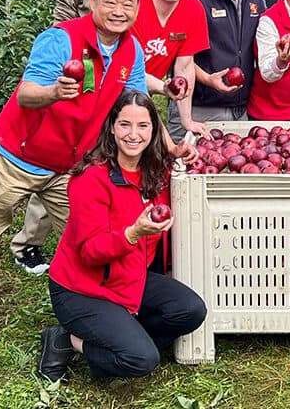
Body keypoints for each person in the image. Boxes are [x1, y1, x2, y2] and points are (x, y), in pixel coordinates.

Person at [0, 0, 149, 343]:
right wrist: (54, 92)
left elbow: (135, 105)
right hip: (18, 155)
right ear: (92, 3)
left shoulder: (131, 51)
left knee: (87, 236)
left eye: (128, 3)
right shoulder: (61, 39)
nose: (118, 10)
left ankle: (92, 308)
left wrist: (159, 141)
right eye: (109, 1)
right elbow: (26, 94)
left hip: (70, 165)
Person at [12, 0, 152, 275]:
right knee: (58, 139)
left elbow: (142, 17)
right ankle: (29, 243)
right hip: (82, 60)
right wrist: (70, 50)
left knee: (90, 151)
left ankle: (95, 243)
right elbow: (62, 12)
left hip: (119, 61)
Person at [38, 90, 207, 382]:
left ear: (154, 130)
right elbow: (90, 252)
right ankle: (66, 341)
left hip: (129, 277)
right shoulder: (91, 179)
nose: (134, 134)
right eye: (125, 124)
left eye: (143, 126)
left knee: (190, 311)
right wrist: (132, 233)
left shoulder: (155, 172)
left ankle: (122, 335)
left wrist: (186, 160)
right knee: (141, 359)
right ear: (112, 127)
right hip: (83, 289)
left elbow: (180, 183)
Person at [168, 0, 267, 140]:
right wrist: (207, 79)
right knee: (186, 170)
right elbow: (175, 54)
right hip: (197, 109)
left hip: (241, 110)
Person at [131, 0, 210, 142]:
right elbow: (128, 72)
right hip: (117, 86)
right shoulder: (133, 10)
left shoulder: (193, 10)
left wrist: (187, 120)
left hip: (148, 88)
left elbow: (184, 68)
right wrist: (162, 87)